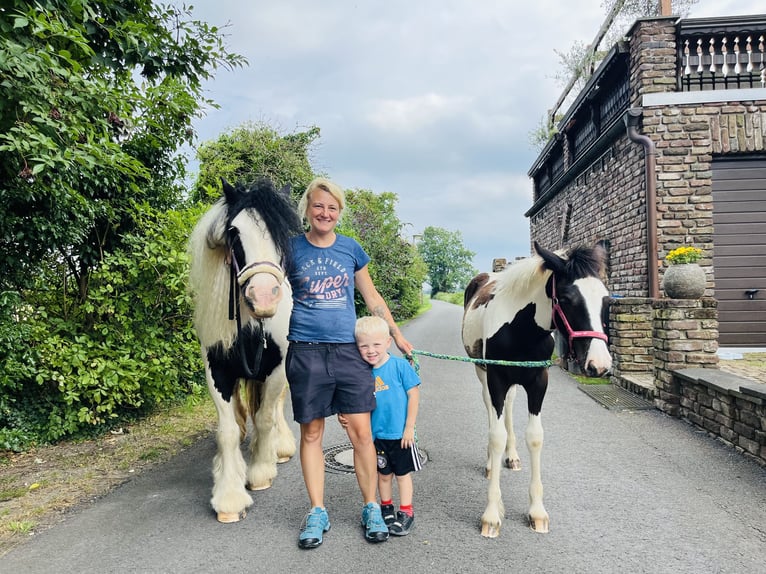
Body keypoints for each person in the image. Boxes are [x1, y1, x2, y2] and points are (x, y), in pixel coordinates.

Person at [285, 177, 414, 549]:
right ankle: (317, 511)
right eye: (318, 206)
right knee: (311, 434)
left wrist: (396, 333)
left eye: (332, 208)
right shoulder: (290, 248)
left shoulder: (350, 249)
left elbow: (371, 297)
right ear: (307, 209)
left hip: (348, 352)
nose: (325, 213)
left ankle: (371, 506)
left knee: (362, 434)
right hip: (306, 350)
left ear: (339, 213)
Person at [354, 315, 421, 536]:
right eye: (364, 346)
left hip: (401, 435)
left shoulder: (400, 366)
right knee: (383, 475)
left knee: (402, 475)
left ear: (388, 343)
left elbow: (414, 395)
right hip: (377, 436)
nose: (370, 350)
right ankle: (386, 507)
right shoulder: (363, 373)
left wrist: (409, 427)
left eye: (376, 344)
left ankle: (406, 511)